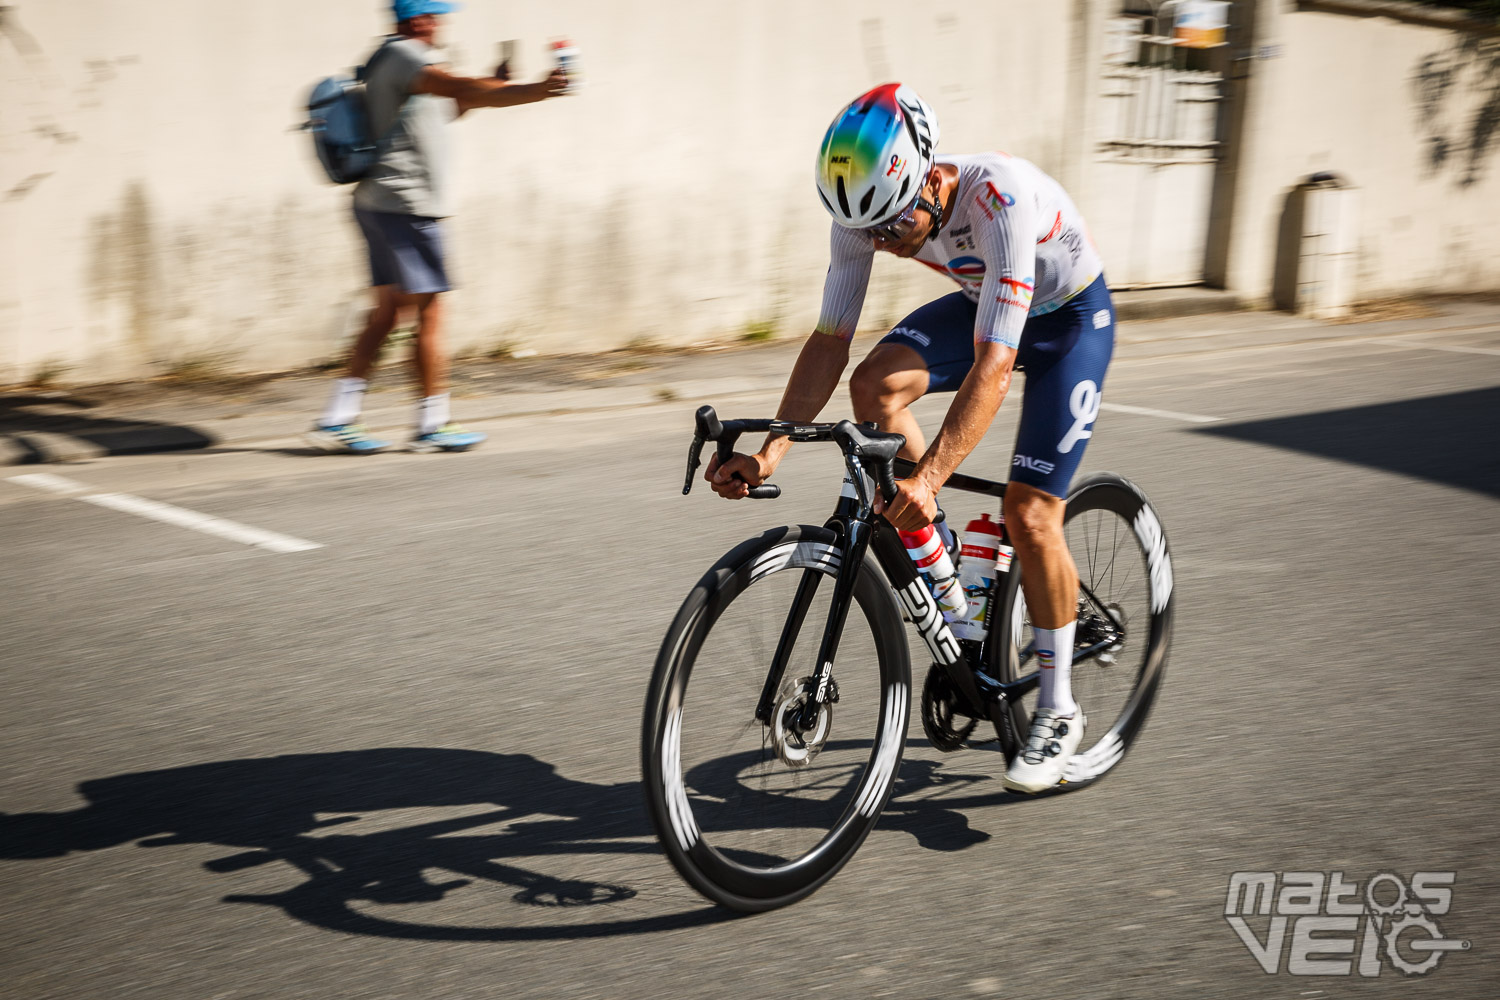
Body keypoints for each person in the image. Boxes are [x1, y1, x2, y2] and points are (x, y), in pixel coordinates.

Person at [706, 83, 1115, 793]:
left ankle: (1057, 710)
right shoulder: (861, 215)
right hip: (983, 300)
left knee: (1029, 512)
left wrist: (925, 480)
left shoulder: (1000, 200)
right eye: (868, 233)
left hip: (1070, 322)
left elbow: (995, 364)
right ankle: (944, 549)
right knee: (874, 386)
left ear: (930, 178)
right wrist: (772, 448)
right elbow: (830, 340)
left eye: (894, 228)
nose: (883, 246)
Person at [308, 0, 568, 454]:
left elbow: (452, 105)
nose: (443, 22)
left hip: (381, 204)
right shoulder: (408, 56)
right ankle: (433, 421)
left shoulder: (394, 61)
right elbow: (460, 86)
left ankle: (337, 417)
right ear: (418, 20)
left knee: (388, 314)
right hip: (406, 207)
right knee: (431, 313)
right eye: (437, 14)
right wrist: (538, 90)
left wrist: (495, 84)